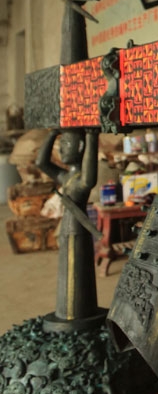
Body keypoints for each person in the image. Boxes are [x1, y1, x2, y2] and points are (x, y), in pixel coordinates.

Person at [36, 128, 100, 324]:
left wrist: (92, 137)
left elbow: (89, 179)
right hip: (67, 228)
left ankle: (78, 313)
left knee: (77, 275)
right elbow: (41, 163)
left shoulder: (81, 179)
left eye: (66, 143)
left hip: (78, 230)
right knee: (67, 274)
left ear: (80, 147)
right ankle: (68, 312)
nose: (61, 149)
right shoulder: (65, 177)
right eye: (60, 144)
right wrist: (51, 135)